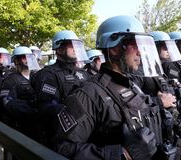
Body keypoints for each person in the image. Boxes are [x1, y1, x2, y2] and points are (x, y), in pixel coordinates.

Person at [54, 15, 167, 160]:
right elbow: (63, 148)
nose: (141, 51)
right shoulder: (88, 94)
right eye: (135, 44)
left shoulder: (131, 84)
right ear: (114, 49)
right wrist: (122, 155)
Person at [31, 30, 90, 147]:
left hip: (85, 131)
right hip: (60, 135)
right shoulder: (48, 74)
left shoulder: (83, 73)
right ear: (59, 49)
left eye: (76, 46)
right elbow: (48, 107)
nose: (75, 49)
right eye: (71, 45)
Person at [0, 46, 40, 138]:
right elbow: (7, 102)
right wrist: (32, 108)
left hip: (38, 123)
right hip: (21, 125)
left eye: (29, 57)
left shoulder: (37, 77)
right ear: (16, 60)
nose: (27, 60)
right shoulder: (11, 80)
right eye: (23, 57)